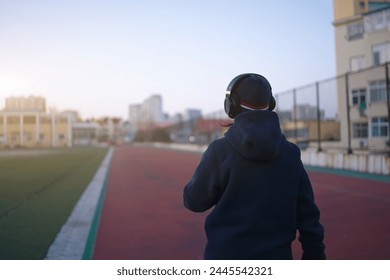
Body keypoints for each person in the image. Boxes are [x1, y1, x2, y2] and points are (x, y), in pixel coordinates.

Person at [183, 73, 326, 260]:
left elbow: (194, 201)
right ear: (270, 103)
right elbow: (309, 217)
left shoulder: (220, 151)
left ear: (231, 105)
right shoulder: (291, 153)